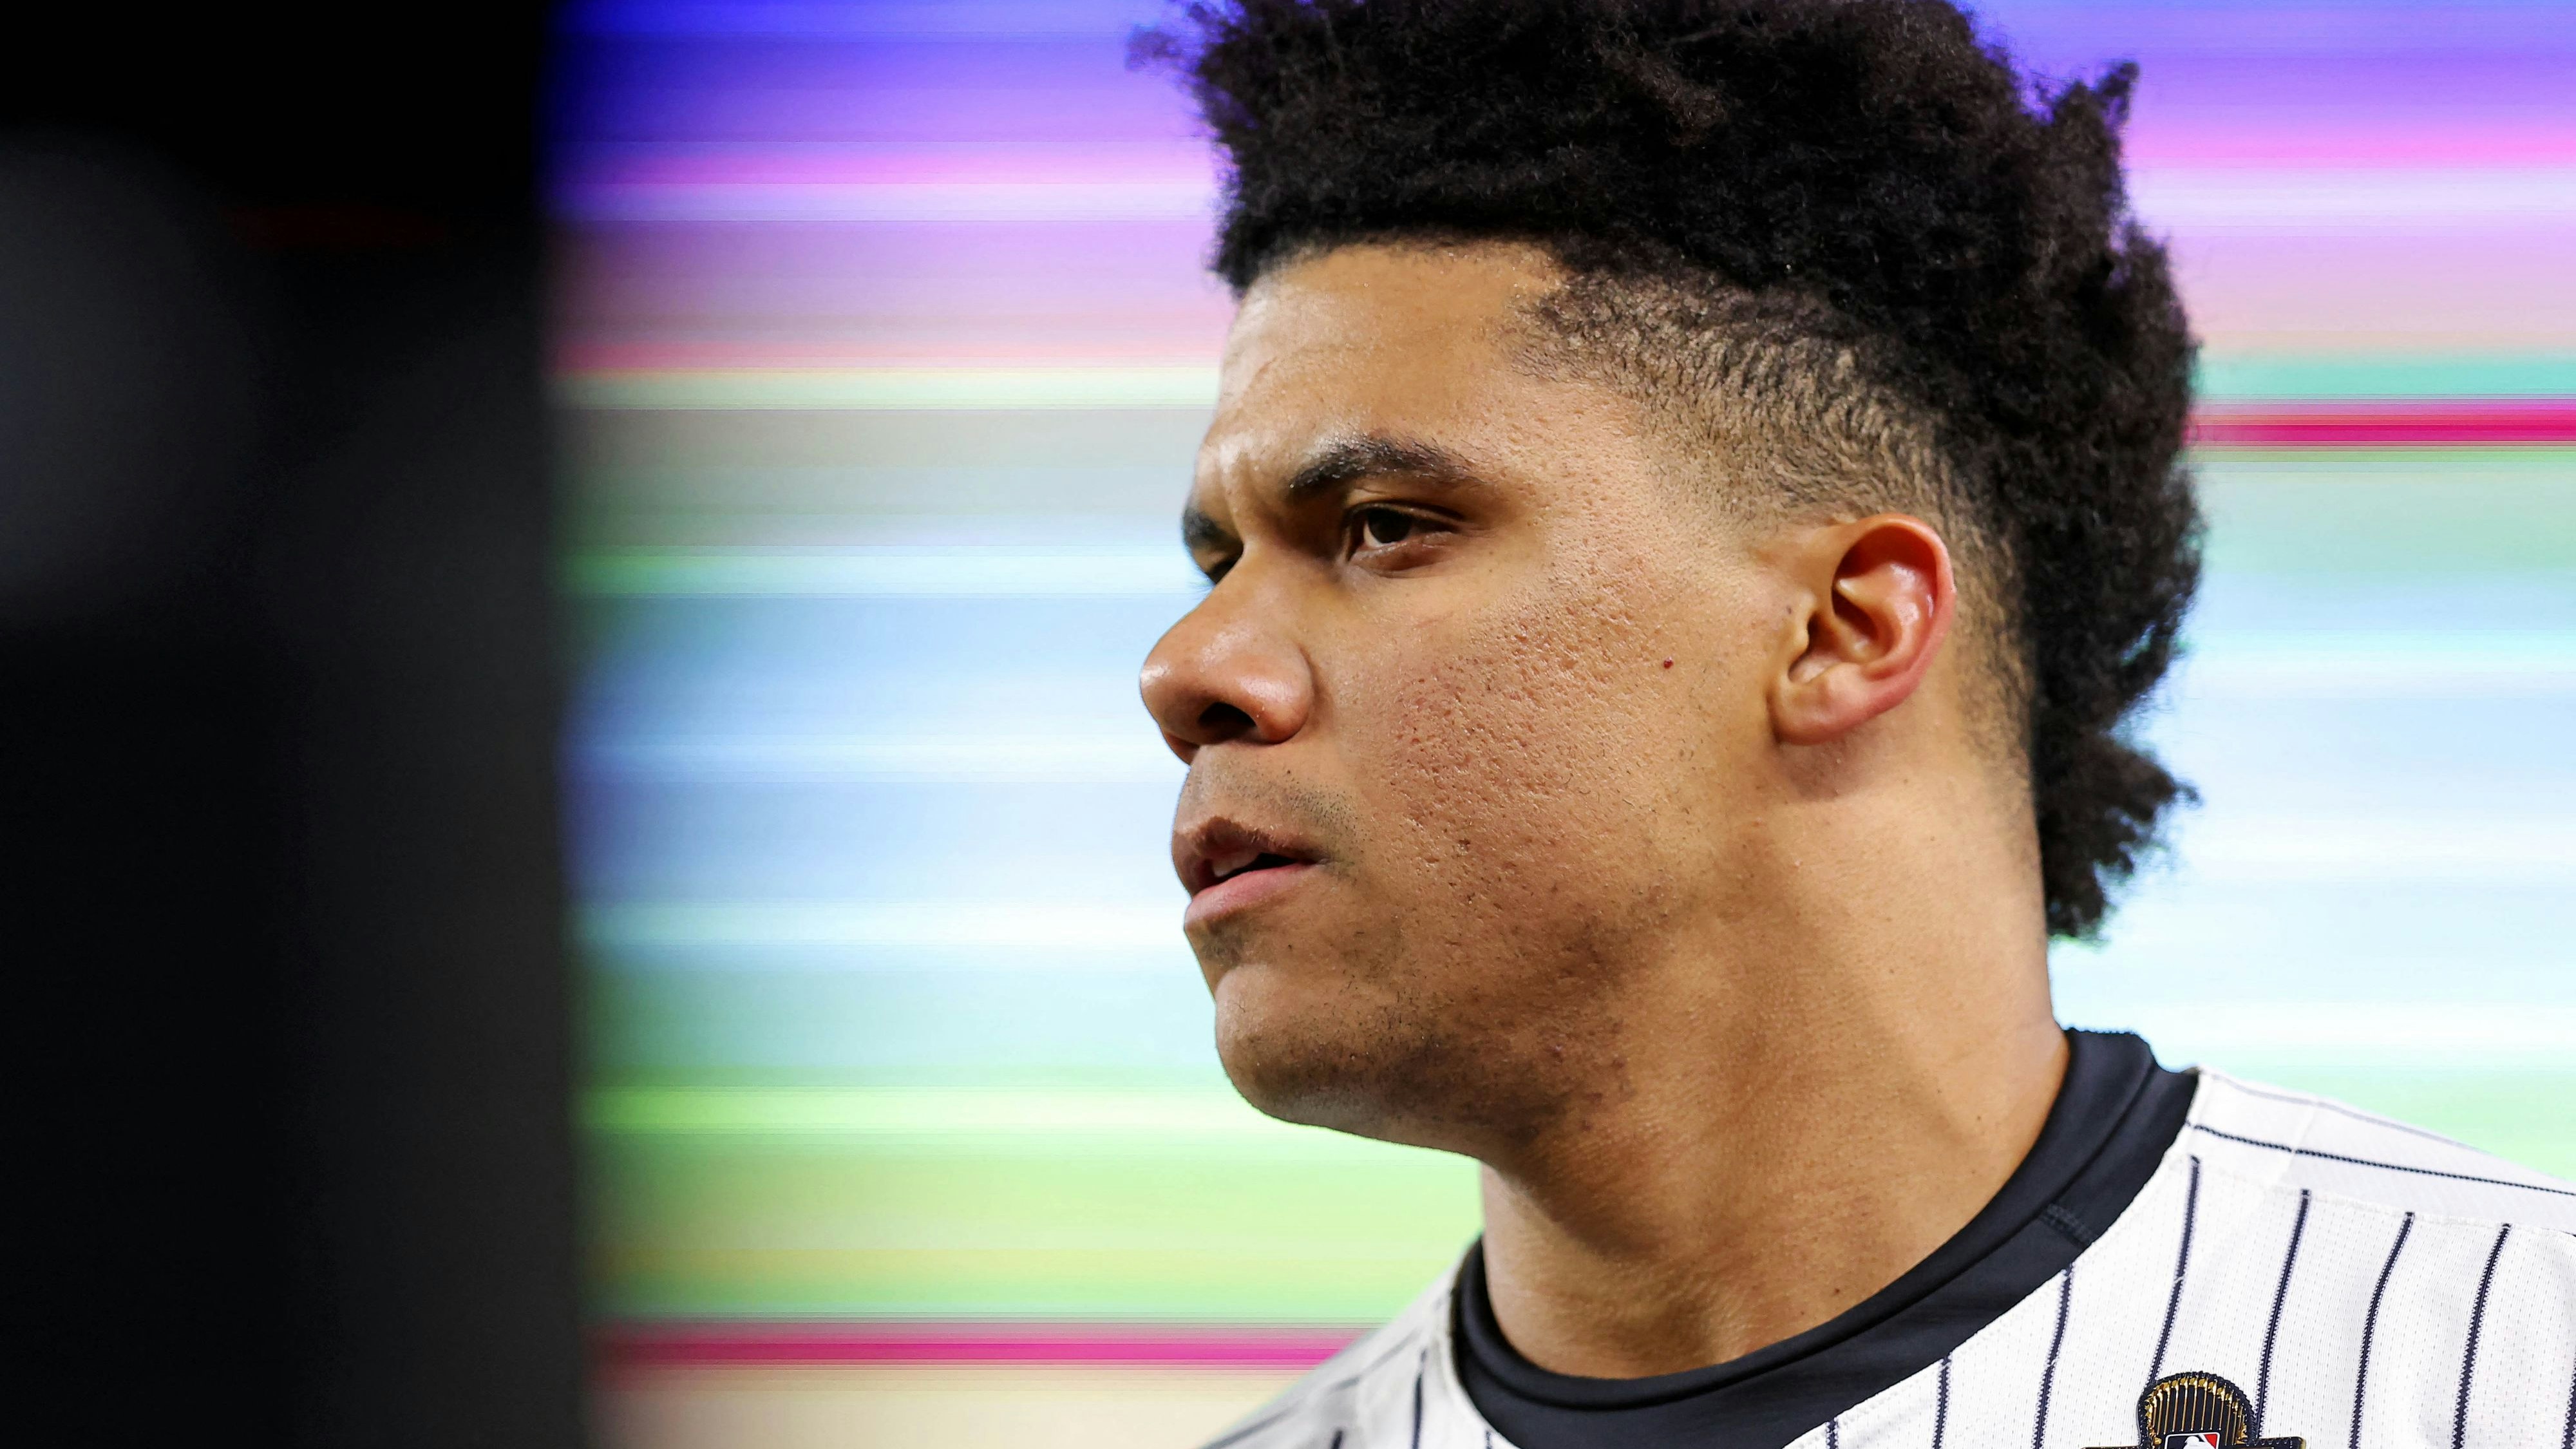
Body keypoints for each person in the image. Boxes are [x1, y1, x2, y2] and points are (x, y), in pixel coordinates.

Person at [1132, 3, 2576, 1448]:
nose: (1187, 667)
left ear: (1846, 629)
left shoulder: (2522, 1359)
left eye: (1382, 527)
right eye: (1218, 564)